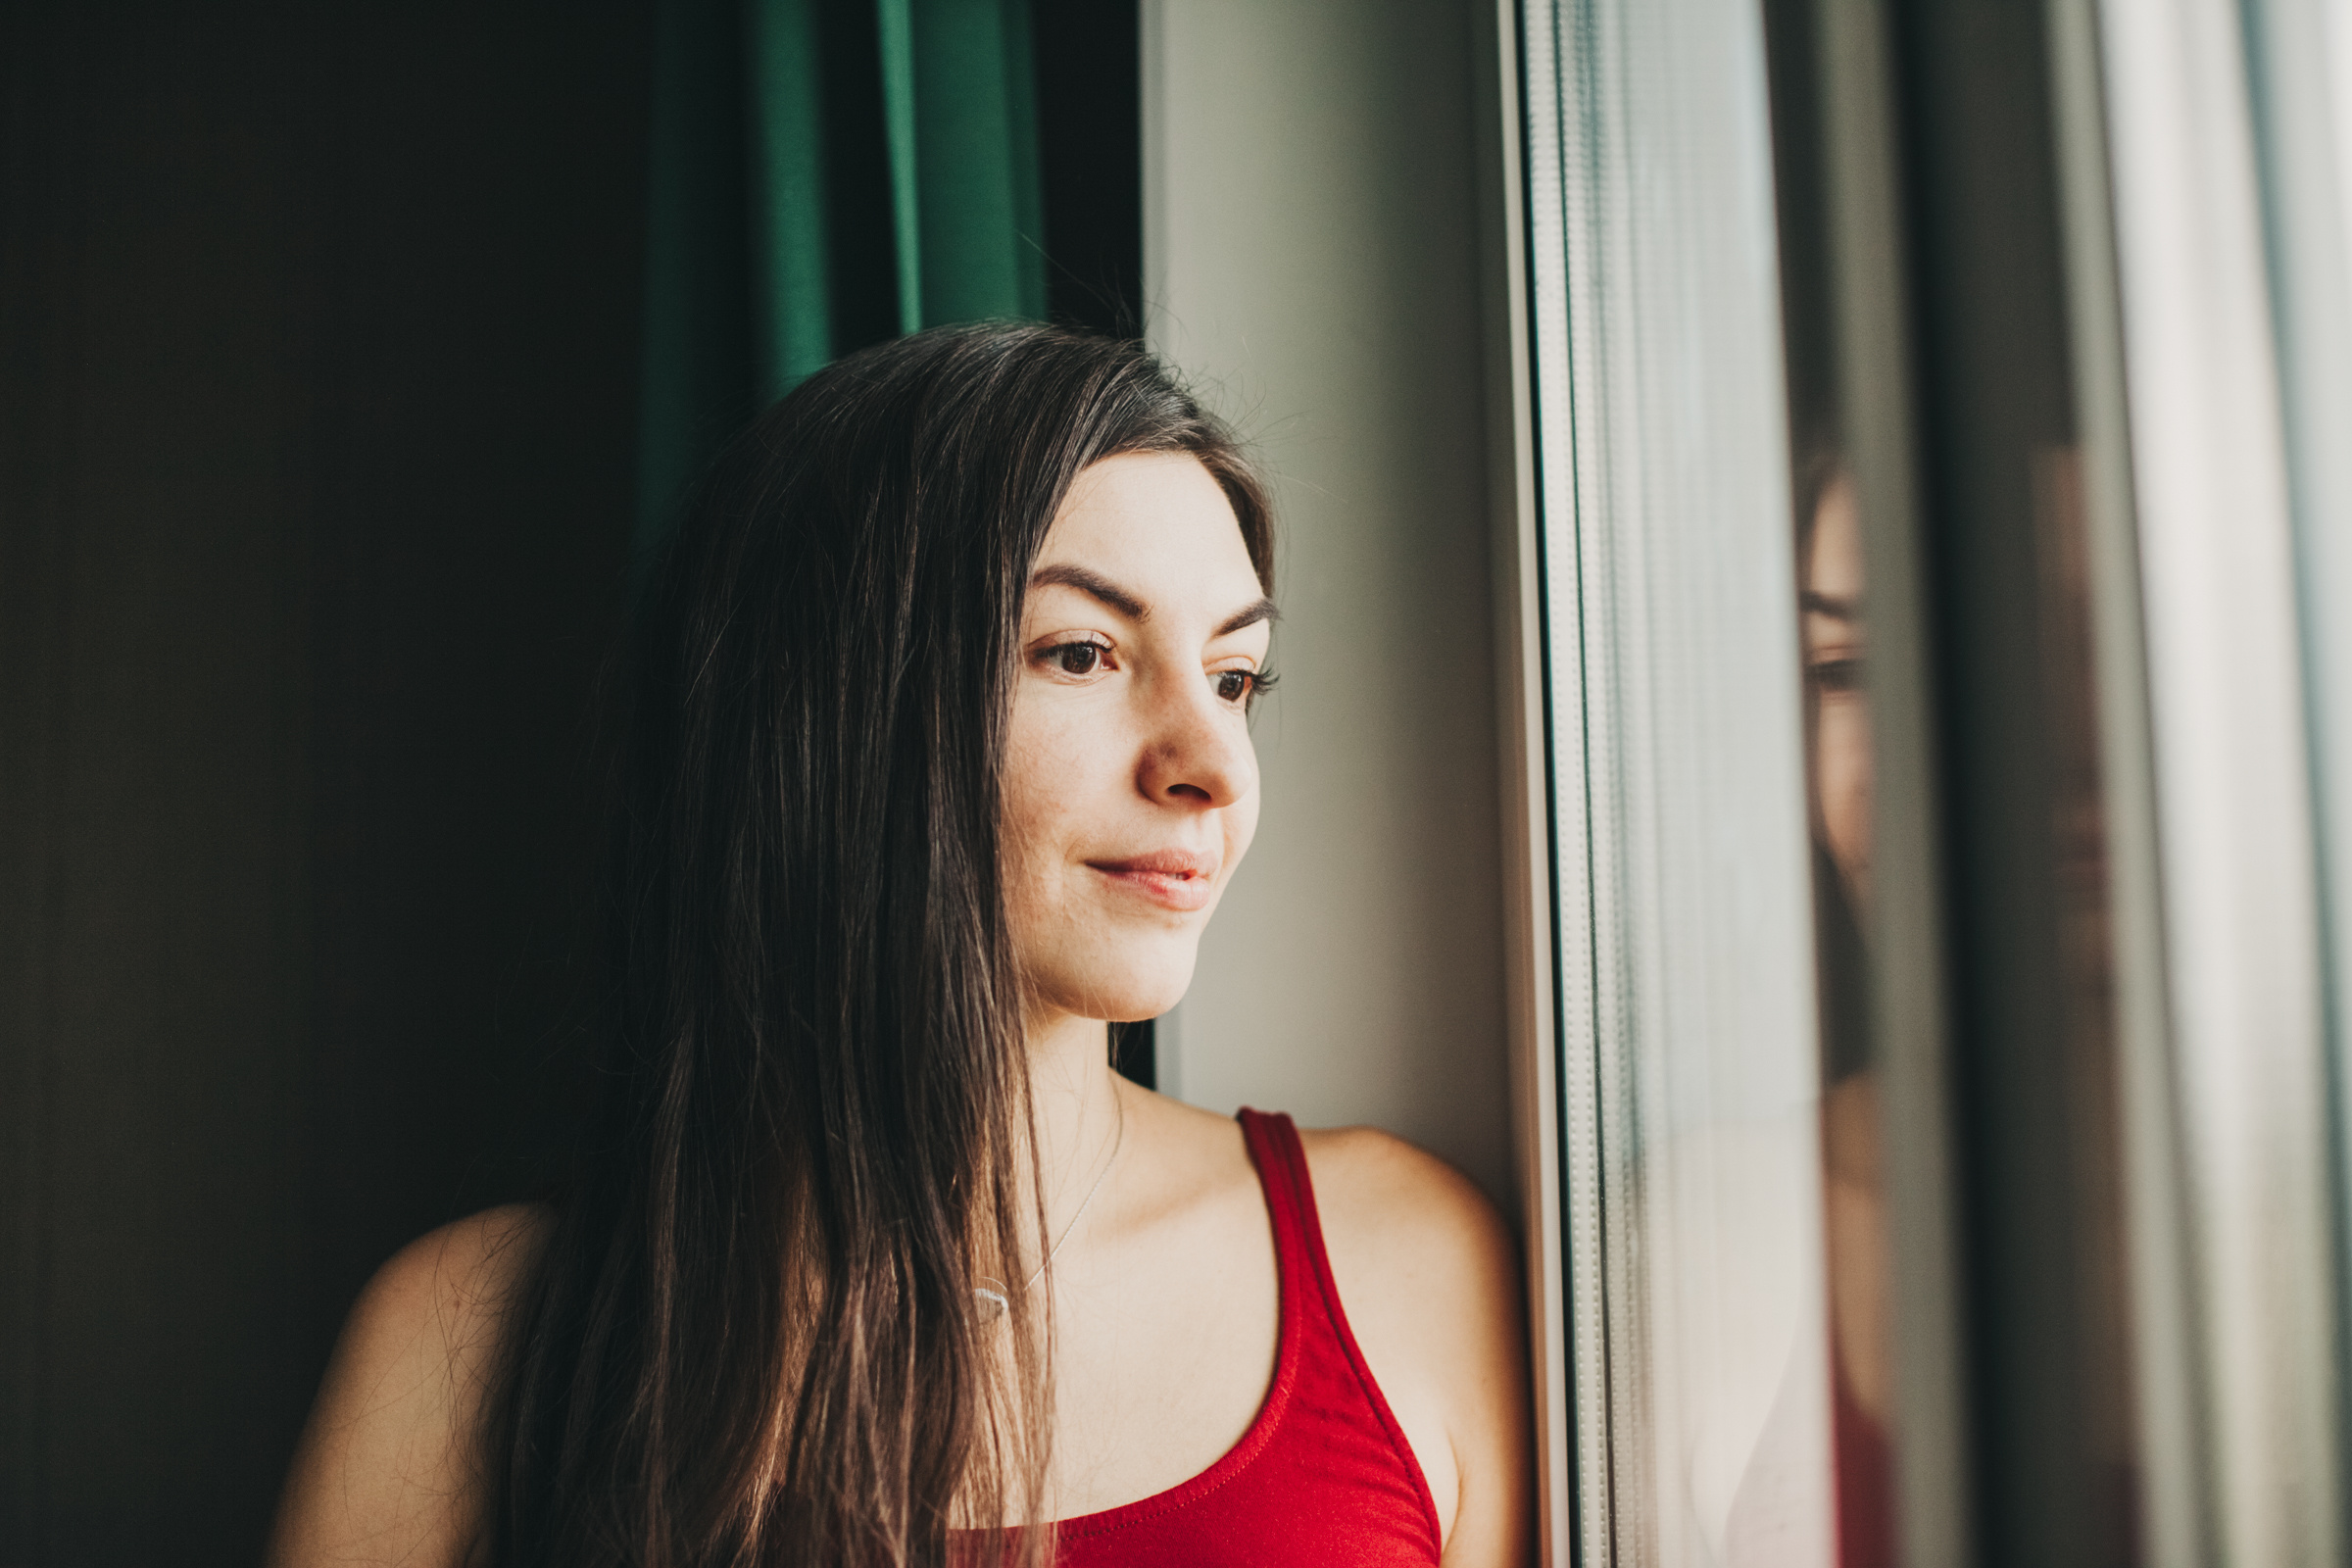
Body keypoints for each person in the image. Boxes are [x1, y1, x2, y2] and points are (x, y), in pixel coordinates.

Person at [266, 323, 1531, 1568]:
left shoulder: (1402, 1268)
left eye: (1235, 677)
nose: (1214, 766)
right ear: (831, 713)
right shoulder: (476, 1344)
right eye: (1082, 654)